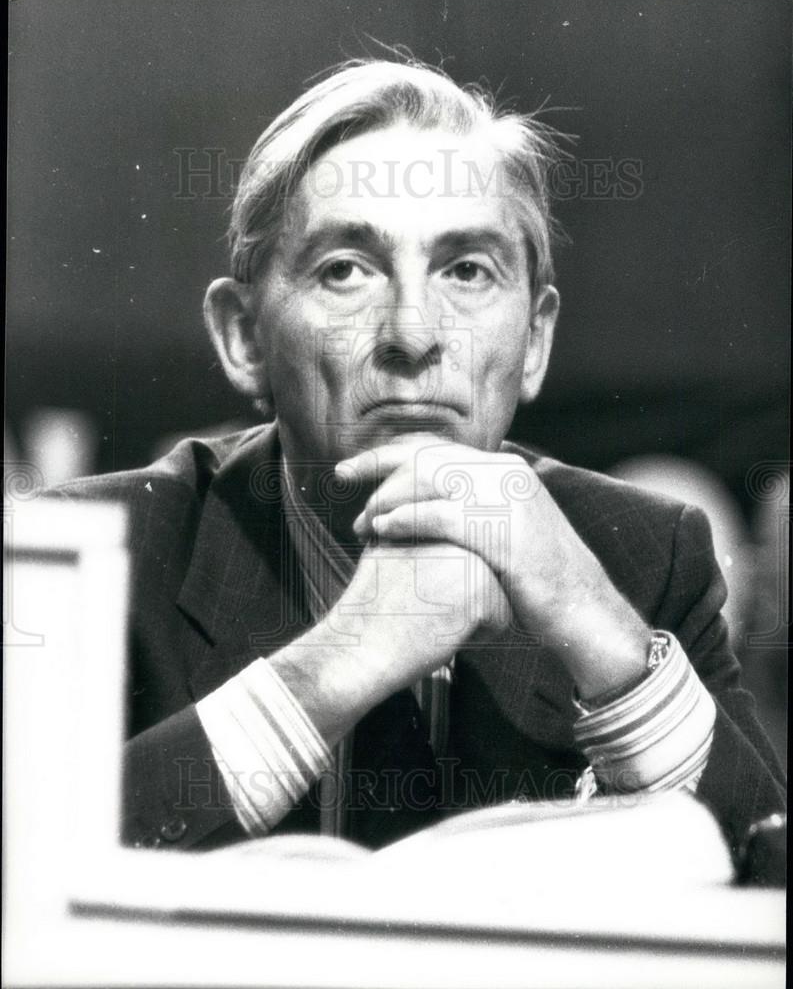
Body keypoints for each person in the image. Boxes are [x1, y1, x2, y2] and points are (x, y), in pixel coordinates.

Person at [55, 59, 784, 859]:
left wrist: (595, 630)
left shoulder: (643, 560)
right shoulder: (87, 557)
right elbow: (19, 881)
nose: (412, 333)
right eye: (346, 271)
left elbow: (766, 893)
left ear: (534, 340)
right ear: (242, 338)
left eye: (466, 270)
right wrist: (349, 657)